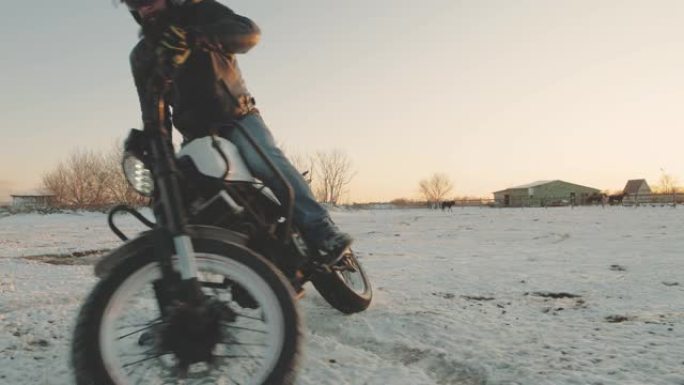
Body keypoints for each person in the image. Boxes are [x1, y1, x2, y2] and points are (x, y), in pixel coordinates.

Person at [121, 0, 352, 265]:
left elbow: (248, 32)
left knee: (264, 160)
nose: (145, 6)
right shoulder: (142, 55)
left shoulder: (202, 11)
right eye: (135, 2)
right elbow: (153, 109)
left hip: (236, 117)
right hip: (196, 136)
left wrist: (200, 36)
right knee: (189, 194)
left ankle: (320, 229)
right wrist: (155, 150)